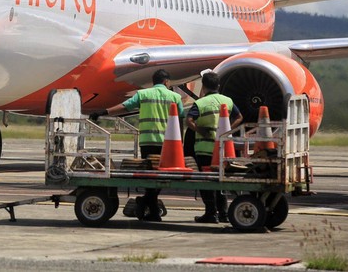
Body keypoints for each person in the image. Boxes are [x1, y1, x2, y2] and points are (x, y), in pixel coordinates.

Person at [90, 69, 183, 222]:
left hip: (147, 141)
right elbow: (180, 119)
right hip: (167, 144)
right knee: (163, 175)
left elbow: (124, 107)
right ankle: (150, 207)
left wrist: (103, 112)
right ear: (167, 82)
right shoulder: (175, 97)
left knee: (150, 175)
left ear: (153, 82)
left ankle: (148, 204)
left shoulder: (143, 94)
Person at [186, 71, 243, 224]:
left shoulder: (201, 103)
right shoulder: (228, 101)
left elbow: (189, 120)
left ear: (203, 86)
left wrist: (198, 130)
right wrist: (228, 129)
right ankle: (223, 213)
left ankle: (211, 212)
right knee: (219, 181)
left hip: (204, 150)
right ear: (218, 85)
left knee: (206, 181)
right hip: (222, 150)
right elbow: (239, 117)